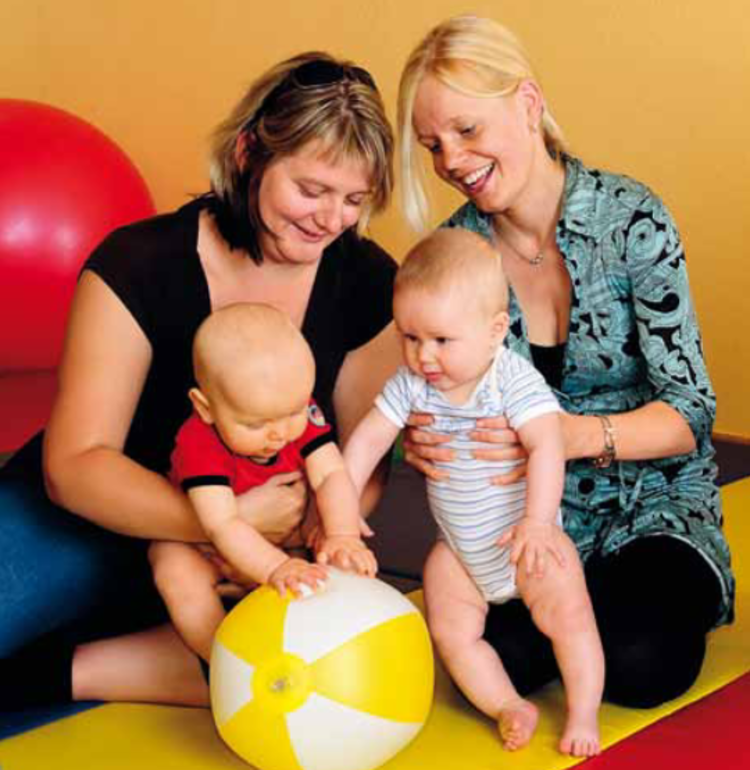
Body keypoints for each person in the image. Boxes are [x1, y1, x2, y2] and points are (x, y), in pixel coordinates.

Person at [0, 51, 399, 709]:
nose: (331, 220)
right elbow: (73, 466)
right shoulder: (137, 262)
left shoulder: (365, 282)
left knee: (333, 678)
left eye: (353, 200)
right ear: (248, 154)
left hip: (263, 545)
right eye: (311, 190)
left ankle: (90, 668)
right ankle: (136, 657)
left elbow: (364, 456)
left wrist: (314, 531)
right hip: (93, 521)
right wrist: (226, 523)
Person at [396, 14, 733, 710]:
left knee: (642, 664)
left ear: (527, 103)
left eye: (466, 130)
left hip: (655, 502)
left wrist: (572, 436)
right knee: (493, 666)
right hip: (524, 528)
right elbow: (423, 384)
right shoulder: (454, 255)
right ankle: (571, 617)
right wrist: (423, 438)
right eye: (432, 144)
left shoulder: (632, 220)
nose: (450, 160)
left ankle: (605, 609)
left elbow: (691, 412)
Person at [345, 228, 603, 756]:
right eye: (409, 338)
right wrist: (340, 515)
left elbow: (547, 447)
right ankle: (507, 704)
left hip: (525, 543)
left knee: (571, 621)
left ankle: (583, 714)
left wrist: (536, 522)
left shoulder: (512, 380)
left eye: (441, 340)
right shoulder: (412, 383)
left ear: (494, 331)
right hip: (461, 554)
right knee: (451, 633)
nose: (424, 357)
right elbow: (369, 439)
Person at [151, 302, 377, 663]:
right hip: (203, 545)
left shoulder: (292, 406)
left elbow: (332, 473)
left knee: (328, 557)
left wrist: (343, 534)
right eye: (256, 425)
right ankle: (225, 661)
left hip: (280, 537)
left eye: (293, 413)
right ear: (205, 407)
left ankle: (317, 643)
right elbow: (221, 523)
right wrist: (274, 567)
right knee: (174, 568)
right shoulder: (198, 442)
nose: (279, 434)